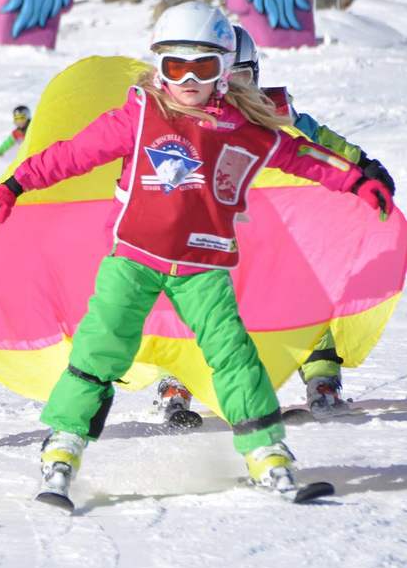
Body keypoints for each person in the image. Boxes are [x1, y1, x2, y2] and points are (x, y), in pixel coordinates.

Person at [0, 1, 395, 504]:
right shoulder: (139, 115)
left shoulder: (243, 127)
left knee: (235, 356)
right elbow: (72, 153)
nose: (189, 80)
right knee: (100, 349)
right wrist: (16, 182)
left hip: (202, 267)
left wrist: (356, 180)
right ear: (159, 67)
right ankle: (63, 446)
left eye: (204, 66)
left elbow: (300, 156)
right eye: (175, 66)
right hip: (133, 259)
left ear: (224, 71)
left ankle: (267, 453)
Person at [154, 25, 397, 423]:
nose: (228, 90)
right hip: (207, 233)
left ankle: (322, 380)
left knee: (305, 292)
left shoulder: (272, 112)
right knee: (190, 305)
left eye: (239, 79)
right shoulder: (184, 114)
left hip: (272, 230)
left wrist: (363, 165)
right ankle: (176, 385)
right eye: (221, 78)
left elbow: (318, 142)